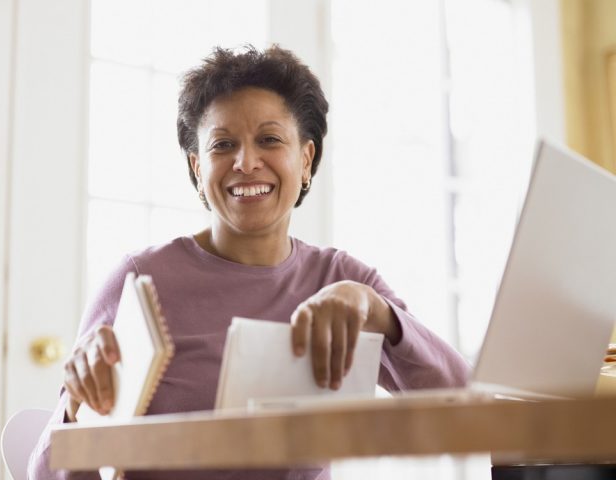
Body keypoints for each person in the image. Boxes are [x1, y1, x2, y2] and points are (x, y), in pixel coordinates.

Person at [28, 45, 469, 480]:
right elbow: (45, 473)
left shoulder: (345, 282)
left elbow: (462, 409)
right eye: (223, 145)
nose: (246, 162)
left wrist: (379, 313)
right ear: (197, 168)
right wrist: (75, 408)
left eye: (270, 140)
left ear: (307, 160)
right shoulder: (139, 279)